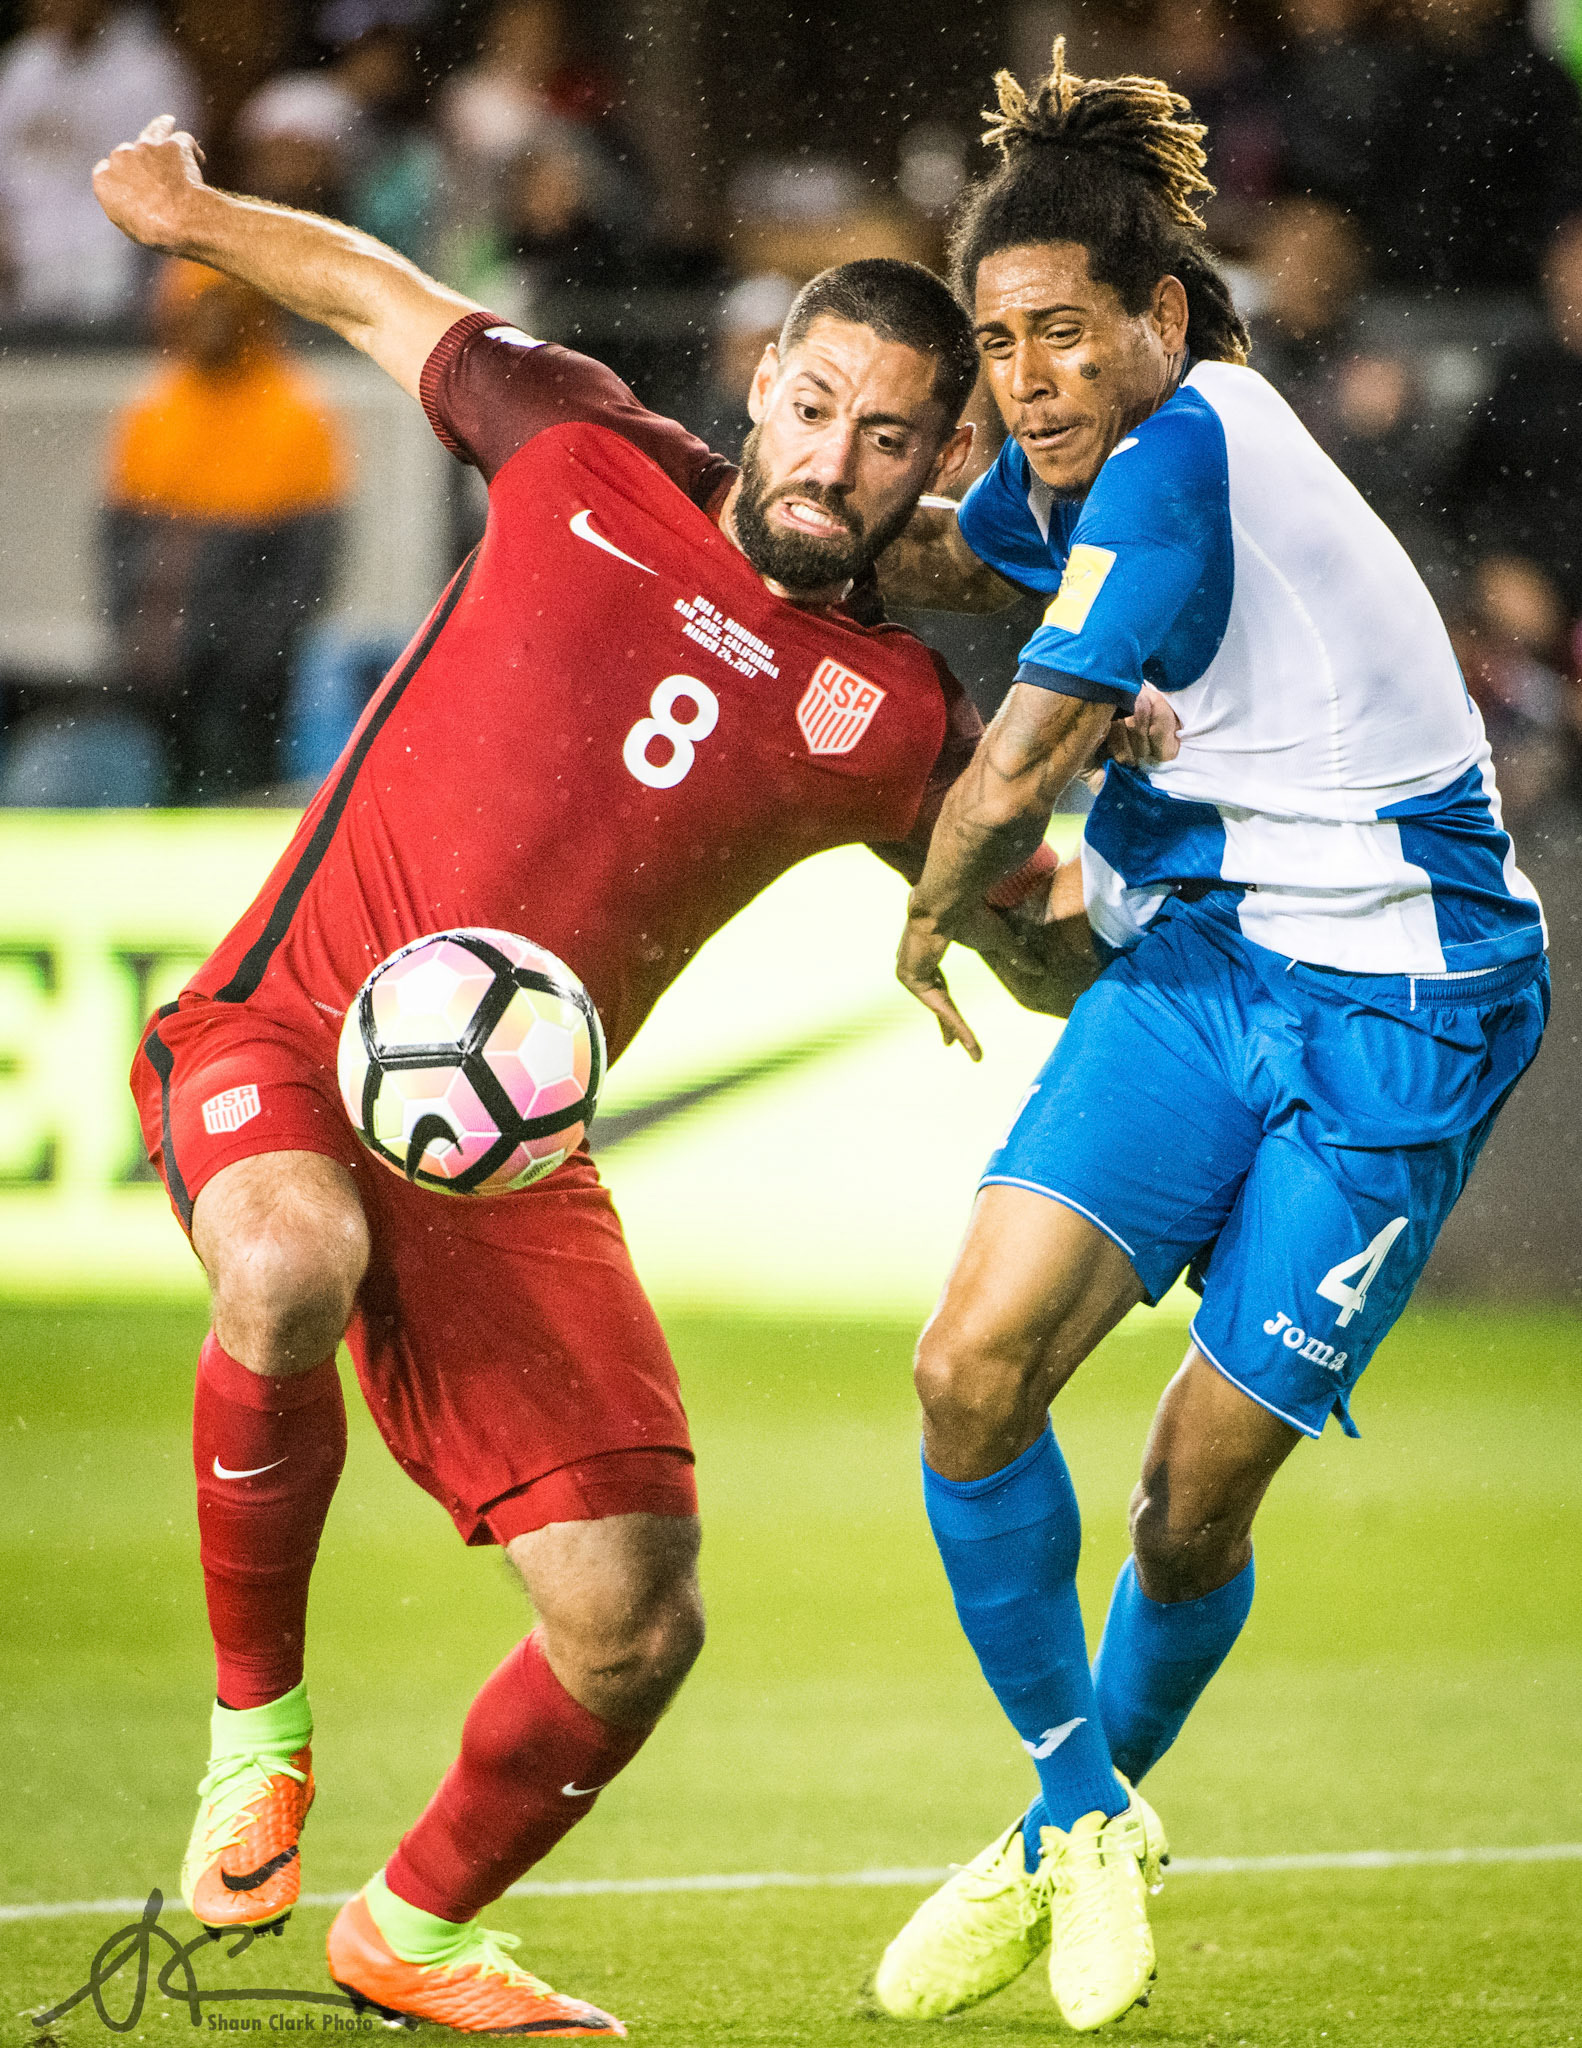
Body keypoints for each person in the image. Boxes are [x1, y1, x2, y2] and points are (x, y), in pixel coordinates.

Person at [92, 114, 1098, 2036]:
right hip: (292, 1036)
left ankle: (415, 1928)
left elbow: (1018, 929)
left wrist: (1148, 964)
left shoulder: (892, 714)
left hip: (504, 1151)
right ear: (762, 378)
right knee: (287, 1262)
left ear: (935, 465)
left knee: (636, 1617)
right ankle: (257, 1731)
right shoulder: (577, 446)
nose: (832, 459)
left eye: (889, 438)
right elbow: (380, 293)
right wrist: (195, 217)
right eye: (813, 406)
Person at [870, 43, 1548, 2033]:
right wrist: (775, 516)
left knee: (1189, 1495)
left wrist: (925, 905)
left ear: (1159, 322)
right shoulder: (1081, 461)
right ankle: (1073, 1824)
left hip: (1401, 1017)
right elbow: (941, 551)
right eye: (998, 344)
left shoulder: (1185, 451)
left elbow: (1023, 758)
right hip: (1213, 961)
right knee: (968, 1369)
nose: (1028, 378)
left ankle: (1070, 1819)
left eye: (1063, 335)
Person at [104, 258, 346, 800]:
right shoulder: (152, 416)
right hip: (159, 666)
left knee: (242, 792)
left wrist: (253, 657)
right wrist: (133, 637)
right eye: (196, 307)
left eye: (224, 307)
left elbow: (304, 567)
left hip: (251, 675)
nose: (210, 323)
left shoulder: (296, 418)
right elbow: (118, 550)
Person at [0, 0, 195, 329]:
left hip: (117, 270)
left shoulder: (148, 69)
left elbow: (175, 179)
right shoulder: (23, 66)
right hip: (21, 269)